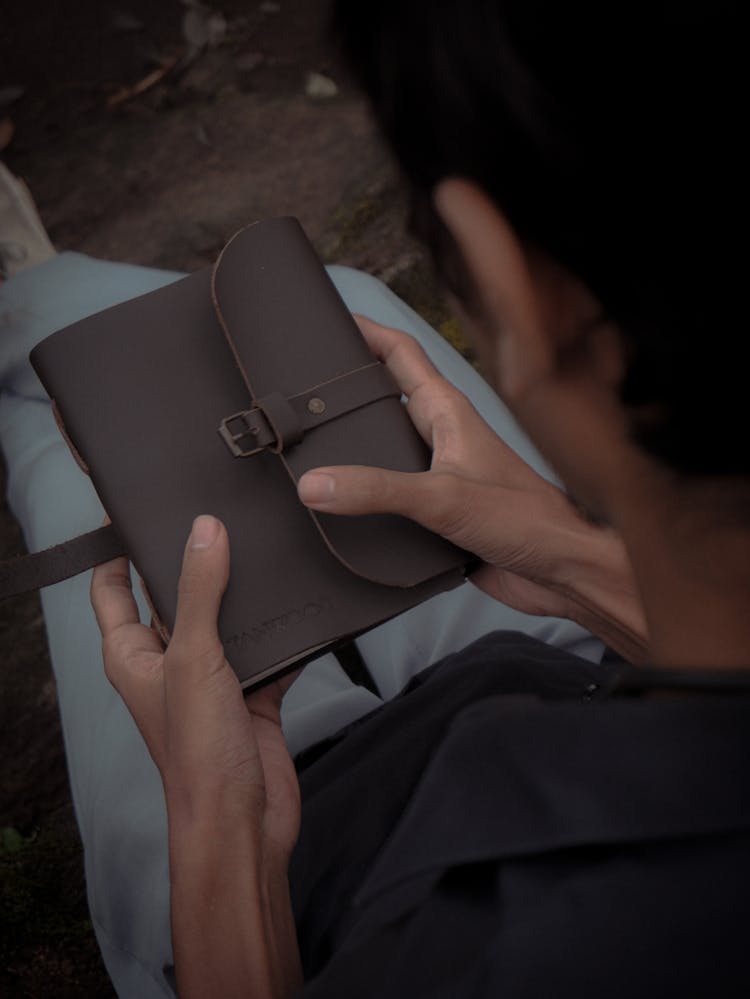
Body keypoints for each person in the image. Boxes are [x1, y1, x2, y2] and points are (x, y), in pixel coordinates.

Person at [3, 0, 749, 995]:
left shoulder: (521, 958)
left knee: (71, 472)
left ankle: (21, 303)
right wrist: (576, 564)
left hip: (304, 846)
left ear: (521, 298)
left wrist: (219, 830)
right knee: (337, 310)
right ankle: (31, 296)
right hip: (564, 657)